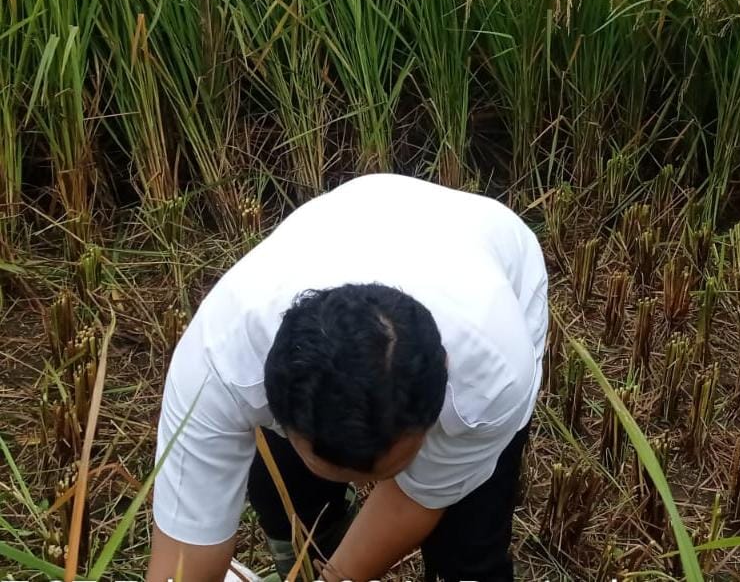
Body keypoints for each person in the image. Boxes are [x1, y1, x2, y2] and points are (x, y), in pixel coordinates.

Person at [146, 174, 548, 582]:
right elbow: (182, 561)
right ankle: (310, 558)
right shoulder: (218, 364)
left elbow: (418, 500)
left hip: (486, 246)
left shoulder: (493, 377)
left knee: (466, 547)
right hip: (352, 220)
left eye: (388, 468)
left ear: (442, 383)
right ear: (275, 402)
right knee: (285, 499)